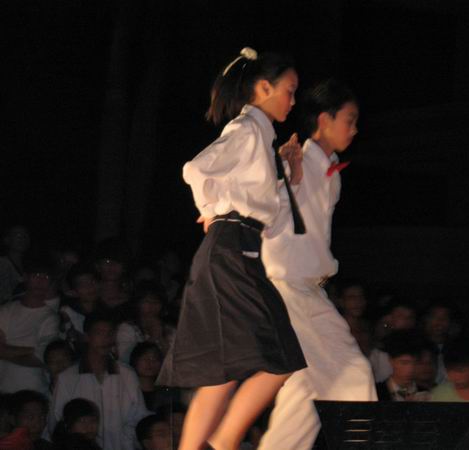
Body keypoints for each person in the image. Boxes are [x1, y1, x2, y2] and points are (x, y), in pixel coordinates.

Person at [156, 47, 306, 450]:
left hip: (237, 246)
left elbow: (263, 211)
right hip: (231, 249)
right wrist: (211, 211)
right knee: (280, 357)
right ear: (264, 88)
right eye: (289, 90)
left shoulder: (259, 136)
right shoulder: (247, 129)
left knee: (224, 370)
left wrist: (288, 174)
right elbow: (195, 169)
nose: (293, 100)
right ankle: (222, 442)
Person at [259, 79, 376, 450]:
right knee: (353, 372)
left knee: (307, 389)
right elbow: (266, 213)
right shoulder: (295, 162)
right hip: (287, 288)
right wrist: (284, 176)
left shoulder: (330, 174)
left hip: (308, 289)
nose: (354, 129)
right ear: (324, 120)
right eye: (349, 120)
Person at [49, 311, 149, 450]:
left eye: (110, 333)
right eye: (99, 333)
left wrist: (126, 443)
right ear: (87, 336)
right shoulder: (68, 378)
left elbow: (138, 415)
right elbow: (58, 418)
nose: (106, 339)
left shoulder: (127, 374)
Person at [0, 261, 59, 394]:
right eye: (36, 275)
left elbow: (42, 357)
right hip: (3, 389)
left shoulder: (50, 317)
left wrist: (4, 352)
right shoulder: (5, 310)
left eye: (46, 277)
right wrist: (32, 349)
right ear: (25, 277)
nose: (40, 281)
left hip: (35, 390)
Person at [376, 330, 431, 402]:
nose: (410, 369)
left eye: (415, 363)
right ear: (391, 360)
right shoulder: (376, 392)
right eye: (404, 363)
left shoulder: (426, 395)